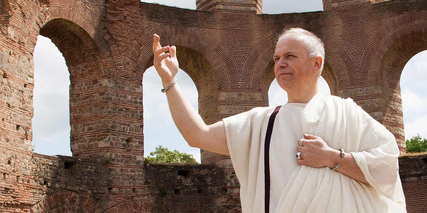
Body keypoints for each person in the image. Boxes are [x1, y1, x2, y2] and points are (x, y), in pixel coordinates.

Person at [152, 28, 406, 213]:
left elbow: (386, 167)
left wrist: (332, 158)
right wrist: (169, 81)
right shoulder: (261, 122)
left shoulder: (346, 113)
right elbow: (198, 135)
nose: (280, 64)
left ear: (316, 63)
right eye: (276, 59)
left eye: (290, 56)